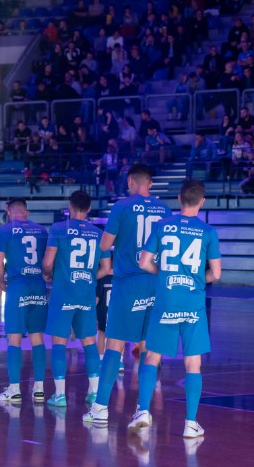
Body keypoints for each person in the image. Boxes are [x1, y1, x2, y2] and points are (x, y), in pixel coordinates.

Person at [128, 180, 221, 439]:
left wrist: (164, 274)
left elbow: (144, 261)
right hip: (193, 303)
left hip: (166, 299)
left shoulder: (161, 225)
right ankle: (190, 423)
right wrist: (196, 280)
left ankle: (143, 411)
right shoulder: (208, 231)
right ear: (202, 202)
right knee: (193, 362)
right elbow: (216, 273)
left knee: (152, 356)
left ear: (179, 199)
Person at [83, 163, 171, 424]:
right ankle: (143, 410)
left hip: (128, 282)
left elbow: (105, 244)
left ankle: (100, 408)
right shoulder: (164, 209)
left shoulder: (122, 206)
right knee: (147, 347)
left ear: (131, 181)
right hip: (155, 281)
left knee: (115, 345)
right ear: (151, 183)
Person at [43, 191, 111, 407]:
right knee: (89, 342)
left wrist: (50, 274)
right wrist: (89, 277)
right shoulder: (99, 233)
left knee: (59, 343)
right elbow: (107, 269)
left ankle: (60, 395)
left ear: (69, 207)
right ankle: (93, 392)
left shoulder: (58, 229)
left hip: (63, 292)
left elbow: (47, 263)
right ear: (89, 209)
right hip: (86, 293)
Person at [0, 198, 48, 403]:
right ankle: (40, 389)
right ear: (27, 212)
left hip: (18, 286)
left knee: (14, 340)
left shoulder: (5, 230)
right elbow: (49, 261)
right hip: (38, 286)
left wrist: (0, 282)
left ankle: (14, 390)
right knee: (37, 339)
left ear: (8, 211)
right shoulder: (42, 231)